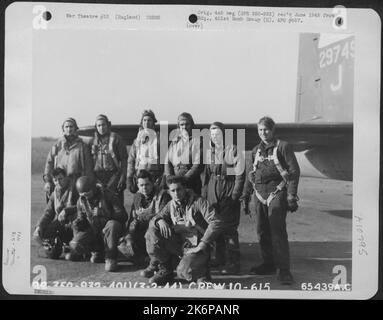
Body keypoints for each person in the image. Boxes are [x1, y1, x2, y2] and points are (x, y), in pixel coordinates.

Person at [241, 116, 300, 285]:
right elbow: (250, 175)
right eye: (260, 130)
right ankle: (269, 263)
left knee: (277, 231)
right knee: (262, 230)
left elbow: (294, 172)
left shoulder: (283, 147)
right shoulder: (255, 151)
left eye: (266, 129)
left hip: (277, 192)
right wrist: (245, 196)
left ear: (273, 130)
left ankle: (284, 270)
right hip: (259, 195)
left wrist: (291, 195)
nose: (263, 133)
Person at [144, 175, 222, 285]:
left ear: (185, 188)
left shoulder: (199, 202)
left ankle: (202, 273)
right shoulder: (171, 204)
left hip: (198, 247)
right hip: (180, 246)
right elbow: (155, 218)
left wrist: (203, 244)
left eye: (179, 189)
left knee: (183, 272)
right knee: (152, 232)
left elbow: (216, 222)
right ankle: (166, 271)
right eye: (173, 190)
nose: (176, 193)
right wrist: (159, 220)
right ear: (169, 192)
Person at [201, 122, 245, 274]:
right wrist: (205, 195)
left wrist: (234, 195)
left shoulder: (233, 150)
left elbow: (240, 176)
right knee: (216, 226)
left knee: (229, 229)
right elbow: (206, 176)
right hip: (213, 190)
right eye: (212, 135)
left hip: (228, 188)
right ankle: (219, 258)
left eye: (218, 134)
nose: (215, 137)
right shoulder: (210, 152)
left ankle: (234, 263)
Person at [66, 176, 128, 272]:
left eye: (88, 194)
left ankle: (111, 257)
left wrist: (104, 213)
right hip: (95, 232)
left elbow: (123, 216)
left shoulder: (109, 195)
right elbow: (81, 218)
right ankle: (95, 252)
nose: (86, 197)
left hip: (110, 233)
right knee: (75, 243)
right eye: (83, 195)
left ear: (94, 189)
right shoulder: (81, 201)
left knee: (112, 224)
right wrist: (79, 222)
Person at [118, 169, 171, 272]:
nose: (144, 188)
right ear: (137, 185)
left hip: (157, 233)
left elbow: (164, 217)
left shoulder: (163, 196)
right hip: (141, 232)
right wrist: (128, 235)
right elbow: (132, 218)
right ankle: (144, 257)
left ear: (153, 183)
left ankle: (158, 260)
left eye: (147, 184)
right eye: (141, 185)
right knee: (124, 244)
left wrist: (145, 217)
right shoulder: (137, 196)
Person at [43, 117, 93, 203]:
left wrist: (88, 185)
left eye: (71, 126)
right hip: (60, 183)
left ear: (75, 128)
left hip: (75, 184)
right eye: (66, 127)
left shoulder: (82, 146)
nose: (69, 129)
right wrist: (48, 181)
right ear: (63, 129)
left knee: (74, 210)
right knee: (56, 209)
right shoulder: (57, 145)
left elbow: (88, 168)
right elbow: (49, 163)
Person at [33, 168, 78, 259]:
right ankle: (61, 245)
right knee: (43, 231)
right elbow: (48, 213)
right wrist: (39, 227)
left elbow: (82, 206)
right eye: (55, 180)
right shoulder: (54, 193)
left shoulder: (74, 189)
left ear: (65, 178)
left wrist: (66, 210)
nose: (58, 182)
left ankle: (76, 248)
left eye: (60, 179)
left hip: (74, 224)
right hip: (61, 224)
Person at [91, 114, 128, 205]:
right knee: (100, 204)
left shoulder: (116, 139)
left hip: (113, 176)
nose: (101, 127)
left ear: (108, 125)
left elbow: (124, 159)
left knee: (116, 204)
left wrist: (123, 178)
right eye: (99, 125)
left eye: (103, 125)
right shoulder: (93, 142)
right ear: (96, 127)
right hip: (98, 177)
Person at [165, 112, 204, 195]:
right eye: (182, 125)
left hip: (191, 181)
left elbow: (198, 165)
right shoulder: (174, 141)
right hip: (174, 182)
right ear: (179, 126)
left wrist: (185, 179)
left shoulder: (198, 141)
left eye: (187, 124)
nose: (184, 127)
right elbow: (167, 161)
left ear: (192, 125)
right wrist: (169, 177)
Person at [127, 110, 163, 193]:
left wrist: (163, 178)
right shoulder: (137, 140)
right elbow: (131, 160)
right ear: (142, 122)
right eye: (144, 120)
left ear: (153, 123)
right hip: (140, 174)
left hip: (155, 175)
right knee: (139, 200)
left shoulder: (160, 139)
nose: (147, 122)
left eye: (149, 120)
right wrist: (129, 177)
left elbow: (165, 161)